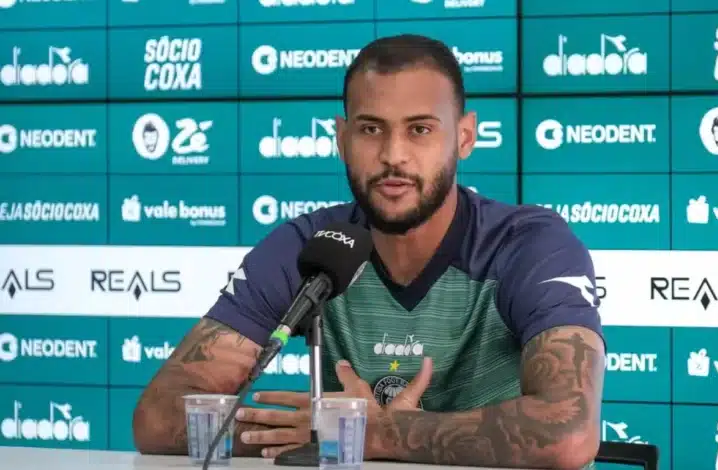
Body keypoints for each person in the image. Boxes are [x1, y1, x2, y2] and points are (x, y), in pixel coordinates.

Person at [132, 34, 606, 469]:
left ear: (464, 137)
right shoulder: (310, 244)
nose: (393, 155)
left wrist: (375, 434)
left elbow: (568, 432)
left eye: (419, 130)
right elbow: (158, 416)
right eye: (371, 130)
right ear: (342, 138)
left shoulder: (528, 245)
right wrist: (318, 435)